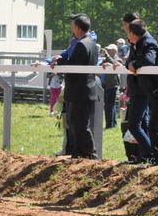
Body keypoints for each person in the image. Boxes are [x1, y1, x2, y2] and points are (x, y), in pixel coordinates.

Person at [50, 13, 98, 159]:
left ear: (77, 28)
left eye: (73, 26)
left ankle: (91, 155)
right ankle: (78, 154)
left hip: (79, 91)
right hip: (83, 90)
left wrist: (59, 62)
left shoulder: (81, 44)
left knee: (80, 125)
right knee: (74, 123)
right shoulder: (91, 43)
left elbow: (73, 67)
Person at [124, 19, 157, 162]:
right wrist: (131, 64)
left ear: (132, 32)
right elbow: (128, 62)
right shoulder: (136, 43)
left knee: (151, 127)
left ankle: (151, 156)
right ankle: (150, 156)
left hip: (153, 90)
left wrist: (135, 64)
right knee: (148, 126)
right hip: (147, 90)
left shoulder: (149, 42)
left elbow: (149, 60)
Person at [100, 44, 122, 128]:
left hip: (112, 85)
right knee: (109, 106)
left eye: (109, 50)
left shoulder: (117, 59)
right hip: (106, 85)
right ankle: (113, 124)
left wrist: (108, 57)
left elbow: (116, 64)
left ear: (114, 51)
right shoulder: (106, 59)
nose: (107, 51)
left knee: (109, 106)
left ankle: (109, 125)